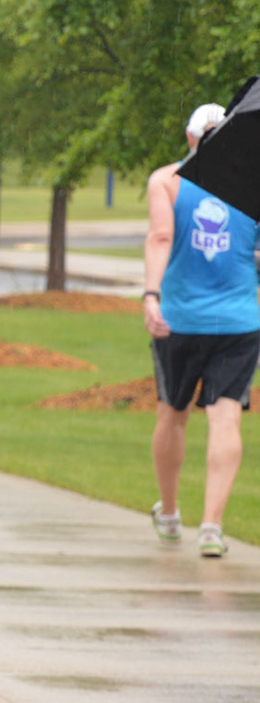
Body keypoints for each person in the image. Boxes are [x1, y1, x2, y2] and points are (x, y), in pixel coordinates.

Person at [144, 102, 255, 559]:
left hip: (179, 319)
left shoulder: (167, 181)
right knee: (225, 416)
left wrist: (151, 294)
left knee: (173, 412)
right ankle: (212, 526)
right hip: (239, 321)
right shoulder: (253, 186)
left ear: (191, 138)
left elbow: (161, 238)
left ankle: (170, 514)